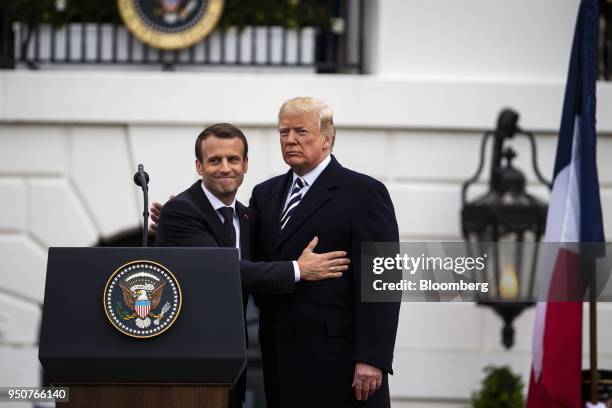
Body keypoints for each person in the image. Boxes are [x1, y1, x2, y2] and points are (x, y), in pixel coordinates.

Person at [153, 122, 351, 407]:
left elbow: (262, 265)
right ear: (199, 166)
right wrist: (299, 269)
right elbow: (223, 270)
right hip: (189, 356)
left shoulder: (248, 218)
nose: (225, 168)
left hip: (234, 355)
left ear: (245, 165)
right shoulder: (182, 211)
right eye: (214, 160)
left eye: (233, 159)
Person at [249, 97, 400, 408]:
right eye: (283, 132)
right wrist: (193, 213)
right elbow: (245, 254)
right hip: (281, 357)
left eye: (301, 132)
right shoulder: (264, 194)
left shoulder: (364, 193)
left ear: (327, 139)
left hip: (340, 362)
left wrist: (372, 358)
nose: (290, 140)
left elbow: (382, 281)